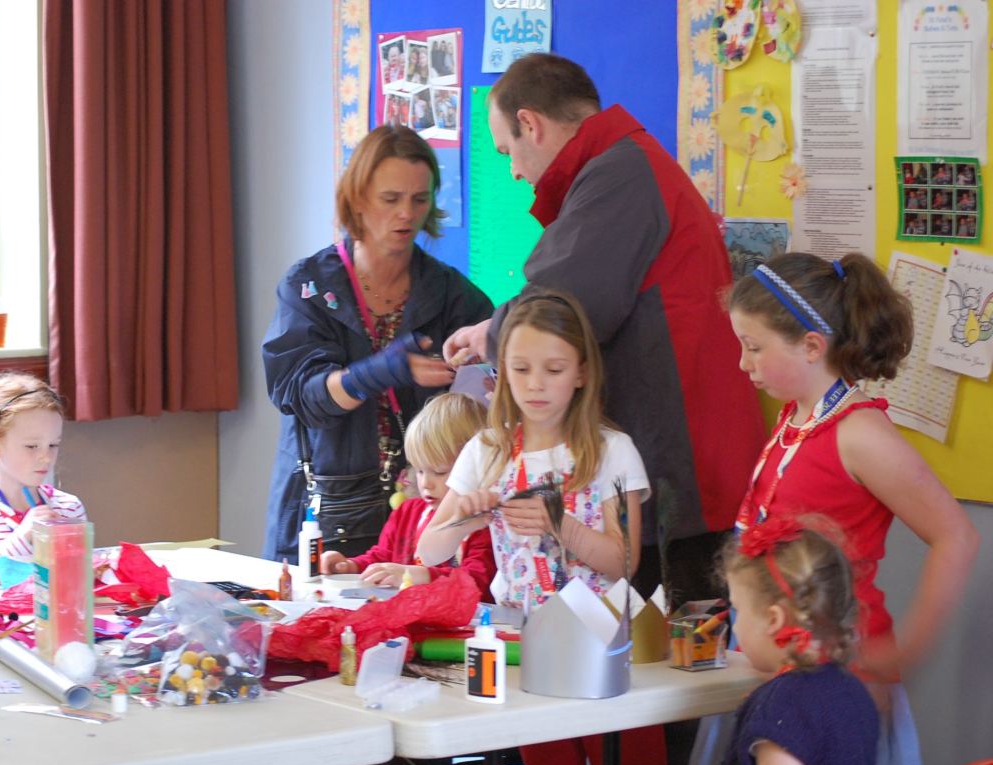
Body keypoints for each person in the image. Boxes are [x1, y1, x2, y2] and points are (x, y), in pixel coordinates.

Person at [444, 51, 764, 621]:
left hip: (680, 463)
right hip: (686, 454)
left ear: (530, 124)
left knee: (660, 656)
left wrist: (493, 336)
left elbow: (562, 312)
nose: (513, 171)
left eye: (507, 150)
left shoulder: (620, 174)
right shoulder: (629, 164)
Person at [725, 252, 979, 765]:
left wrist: (907, 649)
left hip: (842, 677)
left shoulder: (859, 434)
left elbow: (957, 534)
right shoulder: (793, 417)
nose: (743, 364)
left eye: (754, 347)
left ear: (811, 346)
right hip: (782, 671)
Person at [420, 289, 658, 765]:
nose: (535, 384)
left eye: (554, 370)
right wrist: (465, 519)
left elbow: (624, 562)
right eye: (521, 369)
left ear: (582, 373)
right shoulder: (487, 450)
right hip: (527, 649)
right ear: (502, 371)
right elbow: (428, 551)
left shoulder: (613, 452)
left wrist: (561, 525)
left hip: (603, 650)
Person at [262, 124, 493, 566]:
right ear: (358, 199)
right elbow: (301, 397)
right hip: (328, 509)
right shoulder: (309, 286)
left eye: (419, 200)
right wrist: (378, 372)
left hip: (420, 509)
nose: (407, 214)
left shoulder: (452, 295)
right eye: (391, 199)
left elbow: (484, 410)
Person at [719, 515, 879, 765]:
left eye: (737, 610)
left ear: (773, 620)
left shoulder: (782, 706)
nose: (735, 623)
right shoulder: (853, 690)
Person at [321, 391, 495, 601]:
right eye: (420, 470)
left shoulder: (482, 523)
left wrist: (419, 576)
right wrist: (351, 566)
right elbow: (382, 557)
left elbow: (476, 582)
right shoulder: (408, 512)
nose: (426, 483)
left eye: (439, 472)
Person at [0, 372, 86, 561]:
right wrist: (23, 536)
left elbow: (78, 574)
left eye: (53, 445)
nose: (46, 458)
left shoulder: (69, 508)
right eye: (32, 446)